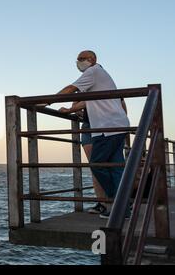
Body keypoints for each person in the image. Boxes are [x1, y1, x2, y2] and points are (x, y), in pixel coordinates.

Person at [55, 50, 130, 219]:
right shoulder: (100, 75)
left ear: (92, 59)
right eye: (77, 59)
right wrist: (71, 109)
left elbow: (71, 88)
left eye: (82, 59)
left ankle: (114, 201)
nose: (78, 62)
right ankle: (123, 209)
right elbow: (85, 101)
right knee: (116, 167)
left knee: (97, 164)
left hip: (108, 127)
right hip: (116, 126)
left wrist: (49, 99)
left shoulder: (93, 71)